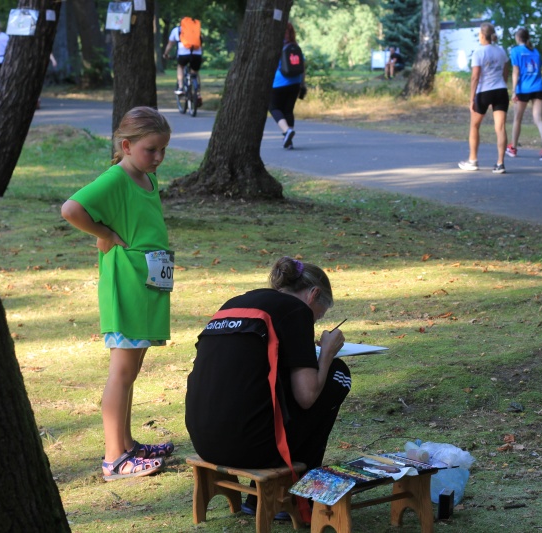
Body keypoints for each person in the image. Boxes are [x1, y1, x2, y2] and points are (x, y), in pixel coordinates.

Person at [185, 256, 351, 516]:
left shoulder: (235, 303)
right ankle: (297, 496)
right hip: (251, 447)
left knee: (278, 385)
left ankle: (259, 499)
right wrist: (328, 353)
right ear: (313, 294)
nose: (316, 321)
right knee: (339, 375)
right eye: (320, 314)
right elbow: (307, 396)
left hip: (204, 441)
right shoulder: (297, 312)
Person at [61, 107, 175, 481]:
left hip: (148, 285)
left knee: (132, 369)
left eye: (162, 150)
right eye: (150, 150)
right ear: (126, 146)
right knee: (122, 371)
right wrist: (105, 234)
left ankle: (127, 445)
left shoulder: (147, 179)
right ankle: (114, 459)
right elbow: (71, 208)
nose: (158, 158)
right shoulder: (117, 177)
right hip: (126, 284)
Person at [458, 22, 510, 174]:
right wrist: (502, 84)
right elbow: (506, 70)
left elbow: (475, 77)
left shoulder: (478, 52)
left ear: (482, 35)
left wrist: (471, 98)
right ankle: (500, 163)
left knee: (474, 126)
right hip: (500, 90)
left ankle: (473, 160)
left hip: (484, 91)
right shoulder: (501, 51)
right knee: (500, 128)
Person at [506, 28, 542, 162]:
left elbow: (516, 72)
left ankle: (513, 148)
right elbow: (539, 70)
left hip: (523, 89)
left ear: (517, 37)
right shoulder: (535, 52)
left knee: (517, 119)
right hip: (538, 87)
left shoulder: (515, 51)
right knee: (538, 118)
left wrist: (514, 90)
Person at [269, 22, 305, 150]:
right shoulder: (295, 46)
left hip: (278, 83)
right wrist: (302, 84)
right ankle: (289, 142)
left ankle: (286, 131)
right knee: (288, 110)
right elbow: (303, 66)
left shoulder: (276, 46)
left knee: (273, 107)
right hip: (295, 82)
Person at [163, 18, 203, 97]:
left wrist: (165, 54)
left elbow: (170, 44)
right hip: (197, 54)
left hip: (183, 55)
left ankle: (181, 88)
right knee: (194, 71)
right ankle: (197, 92)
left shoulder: (176, 30)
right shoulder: (196, 30)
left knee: (180, 66)